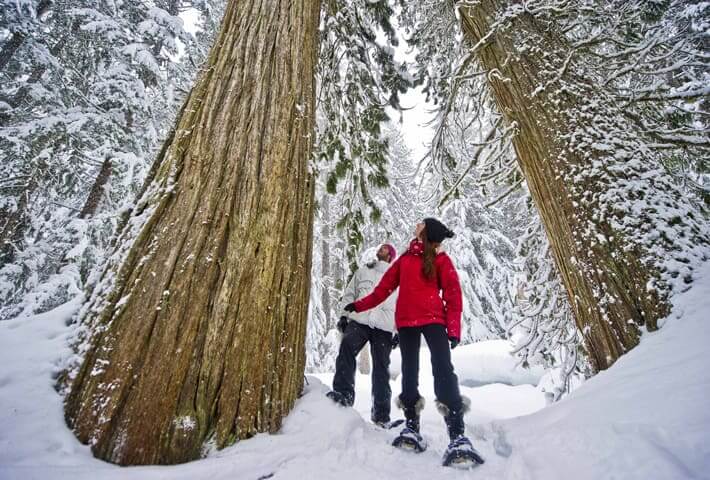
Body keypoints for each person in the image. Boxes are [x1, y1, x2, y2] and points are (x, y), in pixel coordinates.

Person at [344, 218, 484, 467]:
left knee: (443, 369)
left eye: (421, 224)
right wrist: (358, 305)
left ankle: (457, 434)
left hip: (434, 321)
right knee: (409, 372)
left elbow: (453, 294)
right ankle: (411, 426)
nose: (416, 225)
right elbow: (383, 290)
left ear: (426, 232)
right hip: (407, 323)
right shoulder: (405, 259)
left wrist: (453, 329)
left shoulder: (441, 260)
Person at [326, 243, 398, 427]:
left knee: (381, 368)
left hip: (384, 326)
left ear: (390, 256)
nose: (380, 250)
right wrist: (344, 316)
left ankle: (381, 415)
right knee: (346, 350)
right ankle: (343, 394)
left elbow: (403, 305)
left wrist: (399, 330)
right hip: (360, 321)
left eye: (384, 249)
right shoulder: (363, 271)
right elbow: (350, 294)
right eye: (380, 248)